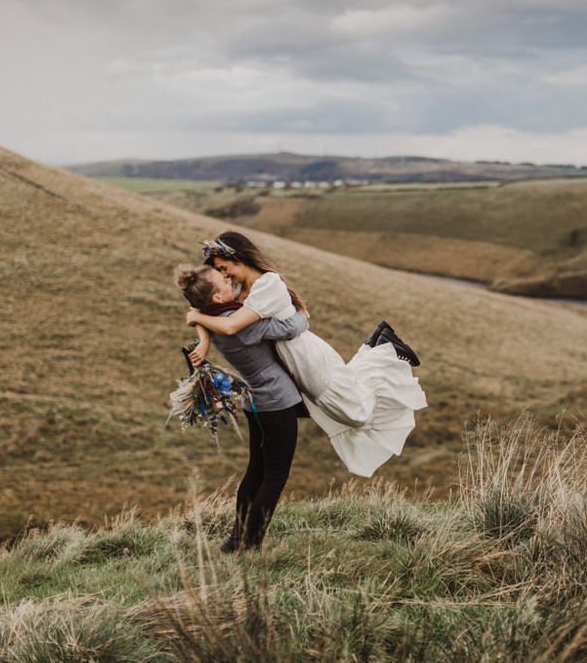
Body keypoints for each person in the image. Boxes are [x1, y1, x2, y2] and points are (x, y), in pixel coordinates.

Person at [185, 231, 427, 478]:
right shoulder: (237, 289)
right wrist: (203, 338)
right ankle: (375, 344)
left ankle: (383, 351)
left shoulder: (267, 285)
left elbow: (229, 325)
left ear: (240, 258)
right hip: (294, 359)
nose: (224, 276)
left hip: (305, 357)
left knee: (356, 415)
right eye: (220, 272)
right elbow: (202, 304)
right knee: (352, 400)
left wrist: (198, 320)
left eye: (224, 268)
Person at [176, 263, 309, 552]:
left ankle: (237, 538)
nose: (227, 278)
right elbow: (291, 328)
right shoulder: (239, 324)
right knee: (274, 477)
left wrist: (199, 321)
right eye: (222, 281)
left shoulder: (217, 318)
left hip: (255, 402)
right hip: (277, 401)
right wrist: (301, 312)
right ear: (218, 299)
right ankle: (251, 543)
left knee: (256, 470)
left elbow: (198, 316)